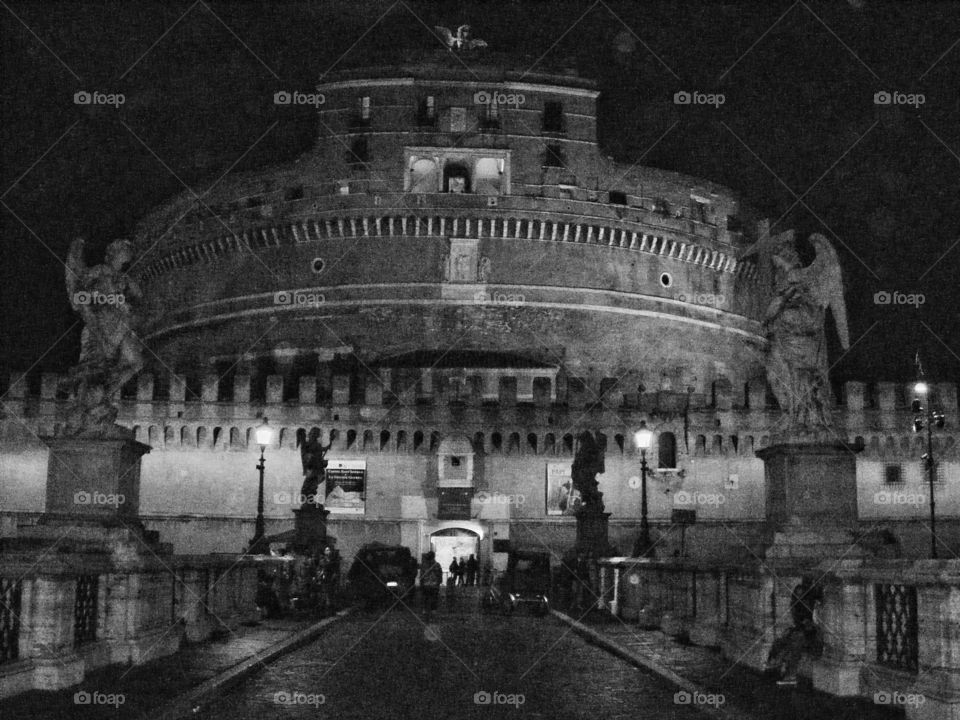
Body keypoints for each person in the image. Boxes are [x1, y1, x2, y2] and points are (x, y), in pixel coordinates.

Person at [420, 552, 442, 622]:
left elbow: (421, 576)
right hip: (434, 585)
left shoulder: (424, 566)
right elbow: (440, 575)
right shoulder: (437, 565)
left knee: (425, 599)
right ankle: (433, 613)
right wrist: (438, 583)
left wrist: (421, 584)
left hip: (426, 585)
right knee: (434, 600)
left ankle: (425, 612)